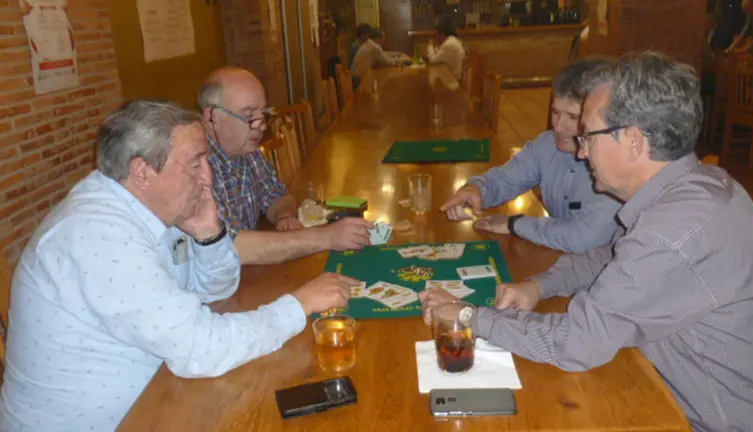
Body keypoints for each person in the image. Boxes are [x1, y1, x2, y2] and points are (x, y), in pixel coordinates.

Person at [422, 52, 753, 432]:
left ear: (634, 141)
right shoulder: (695, 187)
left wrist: (469, 316)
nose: (581, 151)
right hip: (670, 382)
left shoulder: (671, 231)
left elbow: (575, 342)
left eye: (588, 136)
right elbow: (612, 255)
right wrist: (540, 284)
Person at [0, 100, 357, 430]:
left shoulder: (144, 204)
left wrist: (209, 235)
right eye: (196, 163)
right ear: (142, 172)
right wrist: (300, 304)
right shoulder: (98, 236)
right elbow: (202, 349)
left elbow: (215, 289)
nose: (208, 178)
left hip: (159, 393)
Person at [440, 58, 621, 254]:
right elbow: (506, 179)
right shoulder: (547, 144)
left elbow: (582, 238)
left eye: (573, 117)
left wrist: (515, 224)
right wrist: (475, 190)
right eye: (555, 112)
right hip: (557, 259)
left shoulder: (613, 164)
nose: (558, 127)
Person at [199, 67, 374, 265]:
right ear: (212, 116)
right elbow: (230, 247)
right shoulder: (194, 166)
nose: (262, 126)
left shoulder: (245, 150)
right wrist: (325, 237)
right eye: (249, 116)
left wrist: (283, 216)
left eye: (263, 114)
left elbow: (277, 195)